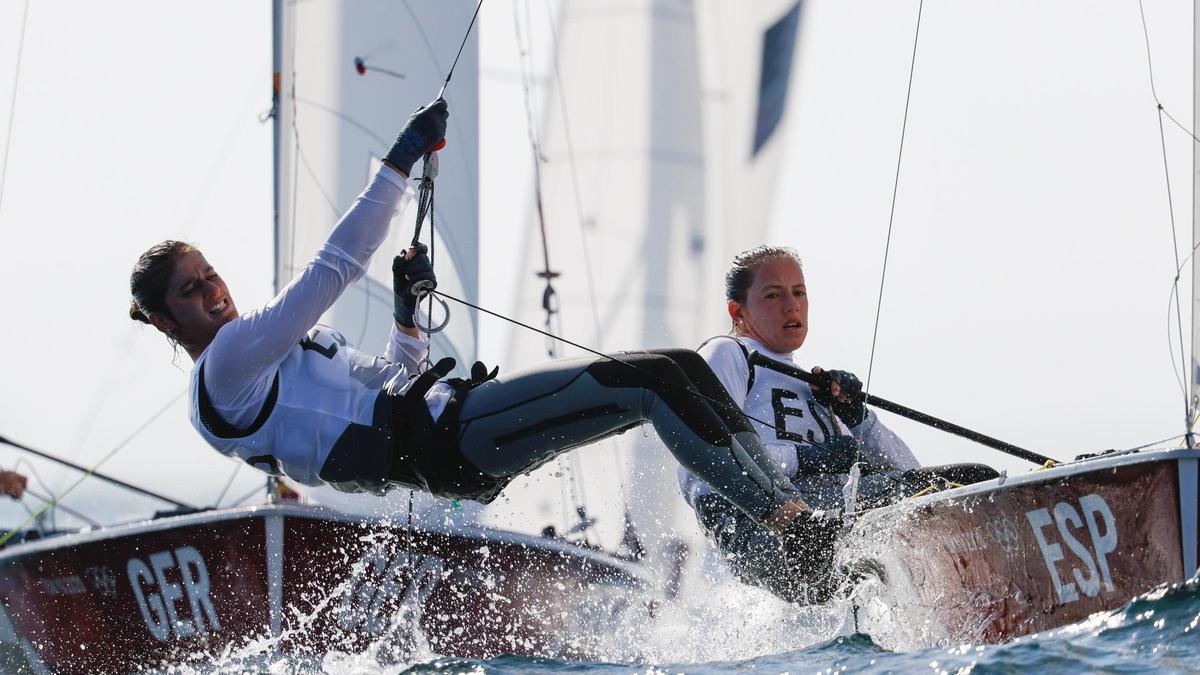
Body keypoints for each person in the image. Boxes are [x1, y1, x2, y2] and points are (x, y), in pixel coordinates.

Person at [128, 99, 832, 542]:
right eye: (191, 291)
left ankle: (786, 511)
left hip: (447, 431)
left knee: (676, 369)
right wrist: (399, 163)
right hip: (450, 441)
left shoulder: (257, 369)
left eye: (210, 274)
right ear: (166, 320)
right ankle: (786, 526)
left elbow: (393, 381)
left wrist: (406, 316)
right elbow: (333, 269)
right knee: (652, 381)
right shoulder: (226, 363)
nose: (213, 292)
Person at [678, 245, 921, 604]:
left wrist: (858, 418)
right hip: (764, 525)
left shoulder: (813, 384)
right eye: (773, 295)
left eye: (799, 293)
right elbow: (701, 463)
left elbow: (908, 472)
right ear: (738, 310)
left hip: (830, 515)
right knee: (954, 483)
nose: (791, 306)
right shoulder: (727, 354)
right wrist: (806, 458)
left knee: (959, 483)